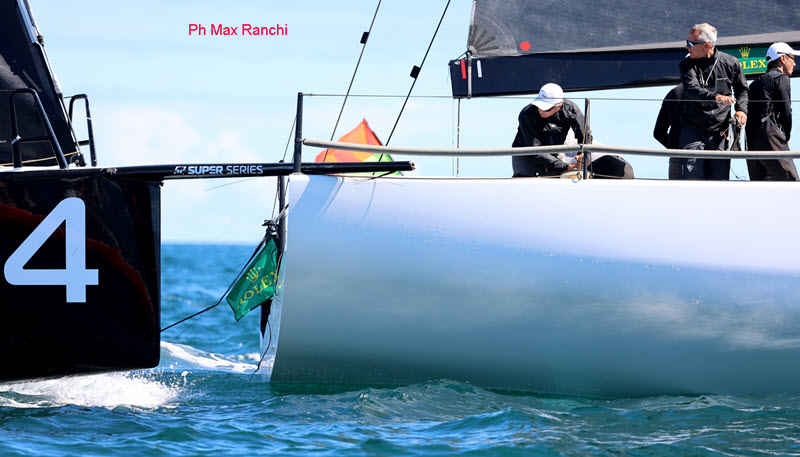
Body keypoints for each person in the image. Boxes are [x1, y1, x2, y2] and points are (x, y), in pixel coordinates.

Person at [678, 23, 748, 180]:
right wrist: (715, 97)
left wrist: (741, 110)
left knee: (719, 181)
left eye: (690, 43)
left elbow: (742, 90)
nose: (686, 47)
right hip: (693, 129)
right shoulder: (686, 64)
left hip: (720, 132)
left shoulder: (731, 62)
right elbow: (692, 89)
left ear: (707, 45)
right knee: (692, 178)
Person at [744, 42, 799, 181]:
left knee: (762, 186)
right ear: (783, 58)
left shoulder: (755, 83)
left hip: (751, 140)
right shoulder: (781, 77)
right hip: (770, 136)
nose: (794, 64)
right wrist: (786, 136)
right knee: (791, 183)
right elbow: (786, 111)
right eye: (793, 58)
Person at [511, 83, 592, 177]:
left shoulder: (571, 110)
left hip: (554, 153)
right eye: (539, 105)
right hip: (526, 154)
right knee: (524, 182)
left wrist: (583, 154)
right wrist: (565, 167)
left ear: (559, 106)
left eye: (546, 108)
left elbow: (584, 135)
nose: (541, 110)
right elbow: (534, 149)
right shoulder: (526, 114)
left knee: (556, 182)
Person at [653, 84, 684, 180]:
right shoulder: (713, 93)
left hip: (677, 155)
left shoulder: (674, 93)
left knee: (676, 189)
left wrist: (674, 147)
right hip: (707, 157)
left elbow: (658, 133)